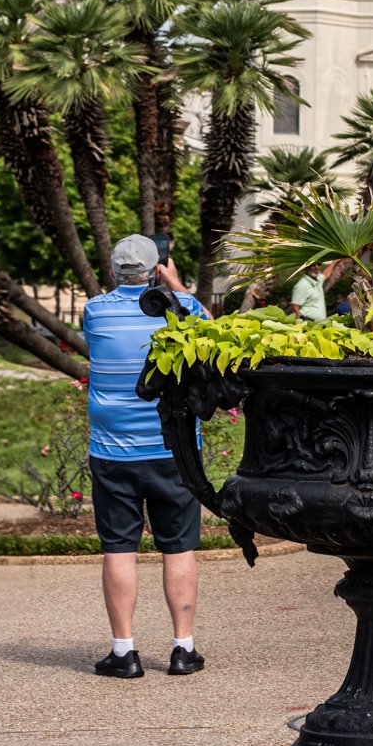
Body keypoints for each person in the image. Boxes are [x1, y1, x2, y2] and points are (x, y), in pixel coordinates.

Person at [82, 235, 212, 680]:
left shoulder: (95, 311)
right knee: (179, 548)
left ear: (115, 271)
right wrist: (177, 289)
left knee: (119, 548)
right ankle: (183, 648)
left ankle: (124, 652)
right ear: (157, 270)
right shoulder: (182, 311)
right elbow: (215, 334)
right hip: (172, 450)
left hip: (112, 452)